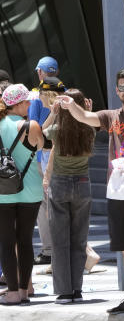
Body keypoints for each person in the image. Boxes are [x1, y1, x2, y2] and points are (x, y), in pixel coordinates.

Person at [62, 68, 124, 314]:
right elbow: (85, 116)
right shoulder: (111, 116)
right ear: (117, 91)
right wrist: (68, 105)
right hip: (116, 192)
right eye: (122, 88)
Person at [44, 89, 95, 304]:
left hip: (60, 182)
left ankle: (64, 291)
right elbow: (91, 121)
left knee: (59, 239)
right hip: (83, 183)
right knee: (79, 238)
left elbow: (42, 131)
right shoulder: (88, 129)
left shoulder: (57, 130)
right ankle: (76, 289)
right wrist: (87, 111)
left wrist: (54, 112)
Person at [0, 84, 44, 305]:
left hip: (3, 192)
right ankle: (25, 290)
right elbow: (42, 145)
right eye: (26, 101)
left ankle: (12, 292)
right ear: (16, 104)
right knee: (25, 239)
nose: (30, 104)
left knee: (6, 242)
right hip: (30, 190)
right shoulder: (31, 126)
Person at [29, 71, 64, 268]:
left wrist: (47, 172)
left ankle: (57, 253)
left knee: (52, 207)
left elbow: (44, 136)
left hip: (51, 161)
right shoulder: (60, 109)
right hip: (51, 160)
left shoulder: (60, 112)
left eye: (41, 92)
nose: (38, 96)